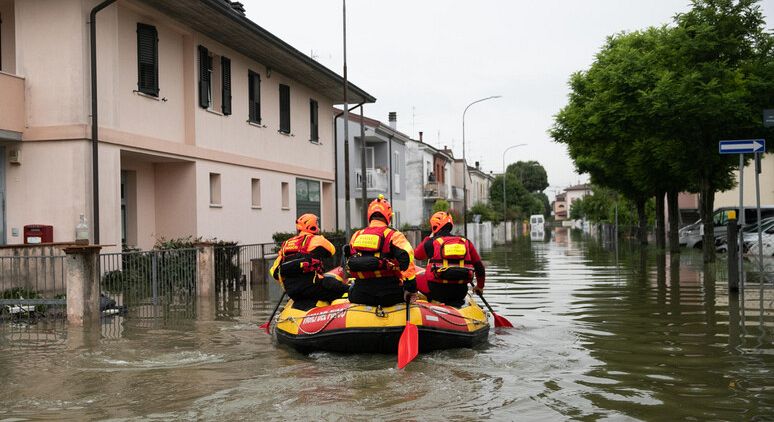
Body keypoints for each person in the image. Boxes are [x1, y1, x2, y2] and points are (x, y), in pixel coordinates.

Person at [346, 195, 417, 307]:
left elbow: (348, 262)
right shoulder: (394, 235)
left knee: (351, 288)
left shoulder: (357, 235)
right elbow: (407, 257)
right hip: (389, 295)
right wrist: (411, 288)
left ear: (369, 215)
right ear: (388, 216)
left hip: (360, 295)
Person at [270, 214, 349, 310]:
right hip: (312, 288)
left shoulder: (286, 245)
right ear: (312, 225)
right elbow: (332, 250)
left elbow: (274, 272)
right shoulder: (316, 239)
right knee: (335, 285)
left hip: (292, 292)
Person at [414, 211, 485, 308]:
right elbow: (479, 267)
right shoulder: (465, 242)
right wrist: (479, 287)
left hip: (437, 292)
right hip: (460, 293)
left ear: (434, 226)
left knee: (411, 276)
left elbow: (417, 255)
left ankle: (410, 300)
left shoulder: (431, 242)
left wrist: (429, 237)